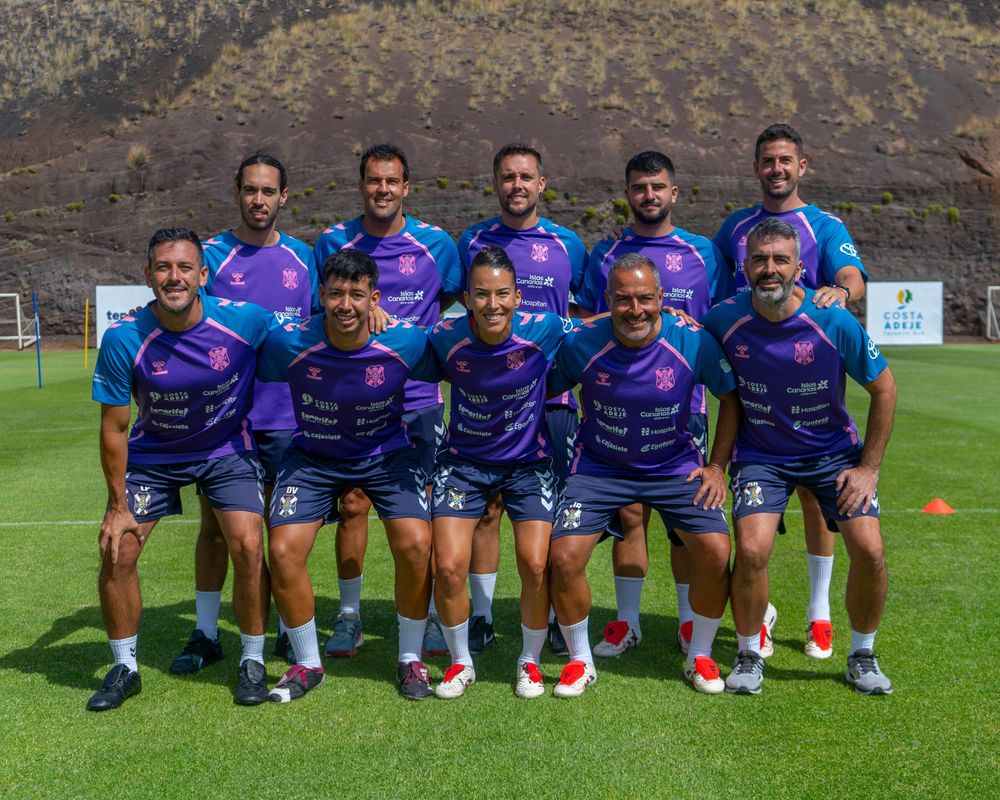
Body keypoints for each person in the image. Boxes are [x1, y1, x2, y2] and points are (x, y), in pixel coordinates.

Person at [701, 218, 895, 695]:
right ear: (744, 267)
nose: (770, 269)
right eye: (760, 260)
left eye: (780, 260)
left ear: (799, 267)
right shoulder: (723, 319)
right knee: (750, 548)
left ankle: (861, 655)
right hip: (760, 455)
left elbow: (885, 389)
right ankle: (748, 654)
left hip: (832, 455)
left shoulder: (832, 318)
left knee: (870, 549)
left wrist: (867, 469)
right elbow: (687, 348)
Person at [89, 227, 272, 710]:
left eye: (185, 267)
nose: (175, 277)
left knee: (249, 544)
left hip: (227, 451)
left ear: (203, 275)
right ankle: (125, 667)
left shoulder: (246, 322)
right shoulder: (123, 338)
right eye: (165, 268)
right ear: (148, 275)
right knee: (117, 550)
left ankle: (252, 658)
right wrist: (116, 506)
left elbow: (311, 339)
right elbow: (114, 428)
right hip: (155, 456)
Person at [548, 253, 741, 697]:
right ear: (608, 301)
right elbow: (543, 387)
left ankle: (701, 655)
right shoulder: (581, 343)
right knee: (563, 558)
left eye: (644, 299)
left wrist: (715, 467)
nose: (635, 310)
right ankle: (580, 661)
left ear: (661, 298)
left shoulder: (694, 341)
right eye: (623, 300)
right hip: (599, 468)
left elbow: (730, 399)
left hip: (675, 466)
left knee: (714, 552)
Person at [713, 123, 869, 659]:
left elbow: (853, 277)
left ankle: (819, 612)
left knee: (813, 494)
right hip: (753, 379)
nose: (776, 169)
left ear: (803, 166)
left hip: (809, 376)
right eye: (767, 161)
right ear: (756, 167)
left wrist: (840, 290)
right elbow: (713, 294)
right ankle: (760, 616)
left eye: (786, 160)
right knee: (756, 527)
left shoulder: (822, 224)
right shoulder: (734, 227)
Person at [257, 248, 439, 702]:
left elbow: (462, 352)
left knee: (417, 543)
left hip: (386, 454)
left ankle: (410, 658)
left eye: (357, 295)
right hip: (314, 457)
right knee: (281, 550)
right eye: (336, 293)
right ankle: (307, 663)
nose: (345, 305)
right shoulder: (289, 343)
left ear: (373, 298)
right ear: (320, 294)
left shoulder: (406, 342)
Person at [576, 150, 734, 659]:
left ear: (674, 193)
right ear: (628, 194)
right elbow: (585, 320)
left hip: (684, 409)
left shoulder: (704, 252)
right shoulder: (604, 253)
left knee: (685, 525)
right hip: (617, 407)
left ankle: (689, 623)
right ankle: (627, 621)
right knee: (628, 514)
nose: (649, 195)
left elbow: (721, 318)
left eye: (658, 186)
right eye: (640, 187)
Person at [170, 152, 320, 674]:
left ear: (284, 197)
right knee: (216, 530)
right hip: (224, 423)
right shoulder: (208, 256)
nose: (259, 200)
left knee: (281, 532)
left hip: (286, 417)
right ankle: (207, 632)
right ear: (237, 192)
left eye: (268, 191)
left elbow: (324, 327)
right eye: (250, 190)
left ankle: (282, 629)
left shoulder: (305, 258)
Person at [313, 144, 461, 660]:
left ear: (406, 186)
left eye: (392, 181)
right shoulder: (333, 241)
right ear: (361, 185)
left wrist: (399, 332)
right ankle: (349, 617)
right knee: (351, 505)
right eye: (373, 180)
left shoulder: (437, 244)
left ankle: (435, 618)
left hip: (417, 400)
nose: (383, 190)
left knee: (426, 512)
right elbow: (324, 312)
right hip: (349, 398)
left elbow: (445, 310)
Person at [457, 143, 587, 654]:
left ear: (541, 183)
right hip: (486, 399)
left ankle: (554, 615)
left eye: (526, 177)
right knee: (486, 511)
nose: (517, 185)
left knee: (548, 513)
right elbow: (452, 313)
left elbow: (583, 318)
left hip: (551, 402)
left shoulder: (568, 244)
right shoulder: (471, 241)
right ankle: (483, 616)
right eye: (507, 177)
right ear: (495, 184)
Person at [425, 246, 571, 699]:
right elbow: (396, 340)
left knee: (535, 563)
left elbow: (602, 329)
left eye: (503, 294)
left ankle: (529, 661)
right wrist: (378, 318)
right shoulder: (444, 336)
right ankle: (460, 662)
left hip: (528, 465)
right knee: (448, 566)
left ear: (518, 295)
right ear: (466, 297)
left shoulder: (544, 329)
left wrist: (675, 317)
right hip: (463, 466)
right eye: (482, 294)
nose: (493, 304)